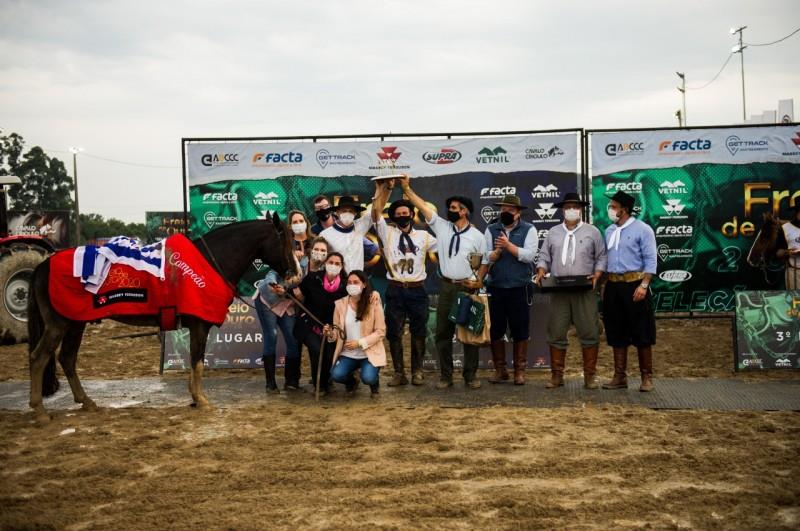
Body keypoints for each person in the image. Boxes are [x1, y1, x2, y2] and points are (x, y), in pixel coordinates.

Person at [399, 175, 486, 389]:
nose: (451, 210)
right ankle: (446, 376)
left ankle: (470, 376)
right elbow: (421, 205)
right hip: (447, 286)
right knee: (443, 334)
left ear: (464, 211)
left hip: (467, 287)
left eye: (455, 207)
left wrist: (479, 280)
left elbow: (483, 262)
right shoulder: (442, 227)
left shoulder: (477, 236)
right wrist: (407, 189)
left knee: (470, 334)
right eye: (450, 207)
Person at [535, 192, 607, 389]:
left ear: (581, 209)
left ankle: (590, 376)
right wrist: (541, 270)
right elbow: (544, 256)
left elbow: (601, 257)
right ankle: (557, 376)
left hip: (584, 290)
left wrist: (598, 273)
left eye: (575, 206)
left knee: (589, 331)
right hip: (559, 290)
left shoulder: (593, 232)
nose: (571, 210)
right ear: (562, 210)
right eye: (568, 207)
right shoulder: (553, 232)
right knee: (556, 331)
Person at [372, 179, 437, 386]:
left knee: (419, 331)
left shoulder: (425, 236)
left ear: (411, 214)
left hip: (417, 289)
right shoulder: (387, 232)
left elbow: (444, 248)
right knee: (394, 332)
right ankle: (399, 373)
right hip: (395, 289)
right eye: (398, 214)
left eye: (405, 212)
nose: (402, 216)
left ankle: (417, 371)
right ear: (393, 217)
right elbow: (375, 213)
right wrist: (386, 189)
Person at [478, 194, 538, 385]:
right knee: (496, 329)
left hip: (520, 287)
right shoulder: (491, 229)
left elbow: (529, 256)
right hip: (496, 287)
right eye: (503, 210)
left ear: (518, 213)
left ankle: (519, 371)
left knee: (520, 329)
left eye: (510, 210)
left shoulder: (529, 229)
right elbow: (486, 257)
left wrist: (508, 246)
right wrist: (494, 253)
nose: (505, 213)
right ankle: (500, 370)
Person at [601, 190, 657, 392]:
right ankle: (619, 376)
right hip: (614, 284)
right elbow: (605, 259)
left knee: (642, 330)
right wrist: (604, 283)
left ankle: (646, 377)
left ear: (624, 210)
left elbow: (651, 259)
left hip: (635, 283)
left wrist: (644, 285)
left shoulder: (643, 229)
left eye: (614, 206)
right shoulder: (609, 231)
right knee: (615, 329)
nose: (610, 209)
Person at [291, 251, 348, 395]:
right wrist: (286, 290)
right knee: (316, 350)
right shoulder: (312, 278)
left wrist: (375, 294)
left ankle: (327, 382)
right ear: (325, 263)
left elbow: (363, 291)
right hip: (310, 325)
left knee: (329, 355)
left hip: (333, 328)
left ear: (341, 267)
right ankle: (319, 386)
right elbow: (297, 292)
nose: (333, 266)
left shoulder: (346, 285)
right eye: (331, 262)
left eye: (337, 264)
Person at [326, 270, 387, 398]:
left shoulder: (374, 302)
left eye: (356, 282)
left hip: (368, 353)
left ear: (364, 284)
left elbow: (381, 331)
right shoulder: (340, 305)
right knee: (336, 375)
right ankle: (352, 381)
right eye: (349, 282)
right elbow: (337, 333)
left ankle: (374, 384)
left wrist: (359, 342)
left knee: (368, 378)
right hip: (347, 354)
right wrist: (329, 333)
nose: (352, 285)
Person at [254, 264, 302, 392]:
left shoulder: (312, 269)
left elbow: (302, 295)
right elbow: (272, 273)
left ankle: (291, 381)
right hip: (268, 299)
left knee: (293, 339)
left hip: (288, 302)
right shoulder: (293, 260)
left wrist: (294, 292)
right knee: (271, 336)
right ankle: (270, 384)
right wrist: (273, 284)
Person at [311, 194, 379, 264]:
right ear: (337, 212)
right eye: (319, 208)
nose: (323, 209)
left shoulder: (355, 227)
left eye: (325, 206)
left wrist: (374, 249)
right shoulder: (317, 232)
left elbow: (358, 240)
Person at [775, 201, 800, 290]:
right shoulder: (786, 228)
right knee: (796, 302)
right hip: (794, 272)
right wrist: (788, 252)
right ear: (797, 212)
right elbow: (778, 253)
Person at [288, 210, 313, 275]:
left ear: (306, 223)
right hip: (293, 279)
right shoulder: (286, 244)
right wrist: (292, 255)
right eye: (295, 222)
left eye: (301, 221)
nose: (298, 224)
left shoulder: (316, 241)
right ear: (290, 226)